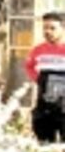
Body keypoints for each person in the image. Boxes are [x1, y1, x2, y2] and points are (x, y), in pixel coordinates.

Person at [25, 12, 65, 143]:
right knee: (44, 143)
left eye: (52, 28)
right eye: (45, 28)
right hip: (45, 107)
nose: (47, 31)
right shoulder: (38, 50)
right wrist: (40, 80)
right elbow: (29, 66)